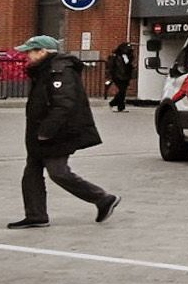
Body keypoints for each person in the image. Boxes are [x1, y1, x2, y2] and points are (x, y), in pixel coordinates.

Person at [11, 36, 118, 230]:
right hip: (40, 131)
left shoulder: (59, 70)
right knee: (32, 174)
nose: (27, 55)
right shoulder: (44, 70)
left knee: (58, 172)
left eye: (30, 51)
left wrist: (46, 130)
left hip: (57, 132)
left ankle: (102, 198)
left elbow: (64, 104)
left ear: (42, 52)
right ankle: (36, 215)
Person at [103, 40, 135, 113]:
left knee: (123, 91)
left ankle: (119, 106)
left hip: (126, 76)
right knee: (122, 90)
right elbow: (111, 67)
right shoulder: (115, 57)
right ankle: (114, 103)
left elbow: (129, 66)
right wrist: (110, 76)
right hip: (117, 76)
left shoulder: (128, 57)